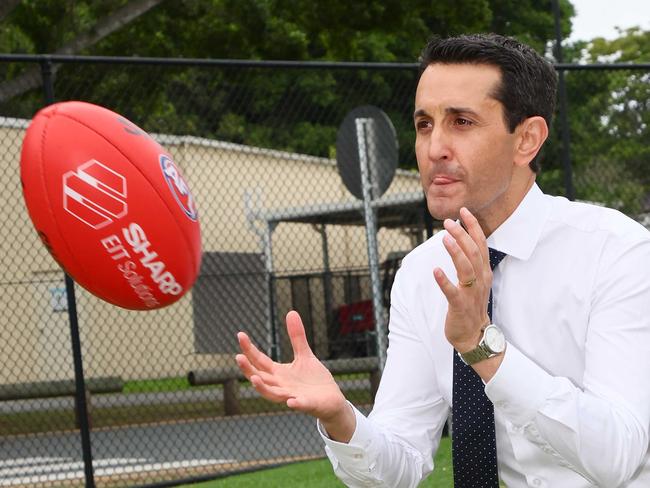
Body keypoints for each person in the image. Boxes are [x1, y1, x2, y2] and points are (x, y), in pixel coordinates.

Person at [236, 33, 650, 487]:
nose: (434, 149)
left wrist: (482, 346)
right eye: (424, 124)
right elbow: (399, 467)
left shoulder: (616, 252)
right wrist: (342, 418)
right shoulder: (420, 273)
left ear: (527, 140)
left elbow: (618, 456)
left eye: (462, 122)